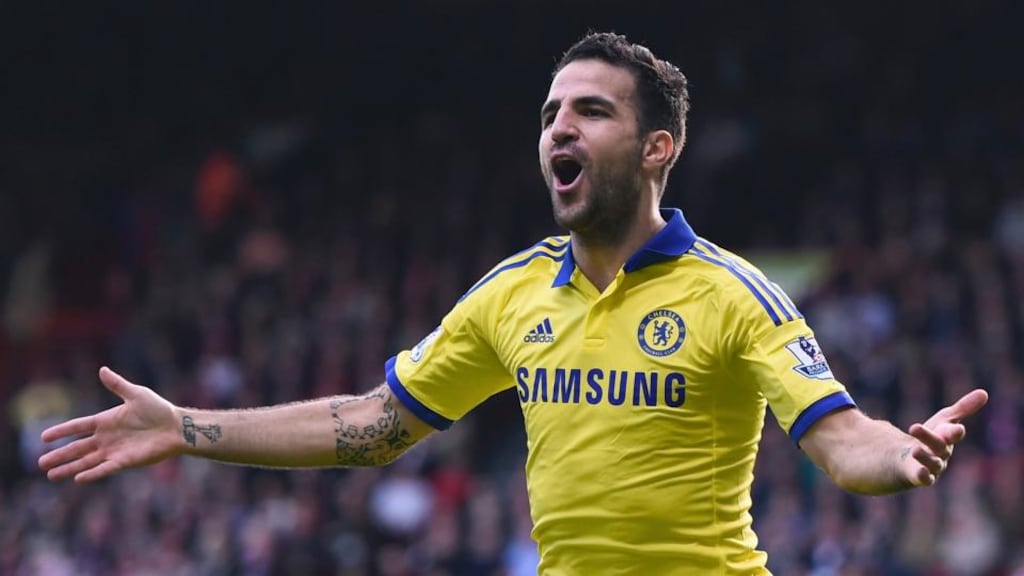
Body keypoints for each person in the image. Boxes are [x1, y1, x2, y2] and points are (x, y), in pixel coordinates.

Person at [38, 32, 988, 574]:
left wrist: (901, 455)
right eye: (549, 114)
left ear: (658, 148)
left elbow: (838, 438)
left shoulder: (734, 294)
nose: (558, 128)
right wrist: (188, 429)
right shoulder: (511, 294)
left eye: (591, 111)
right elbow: (374, 425)